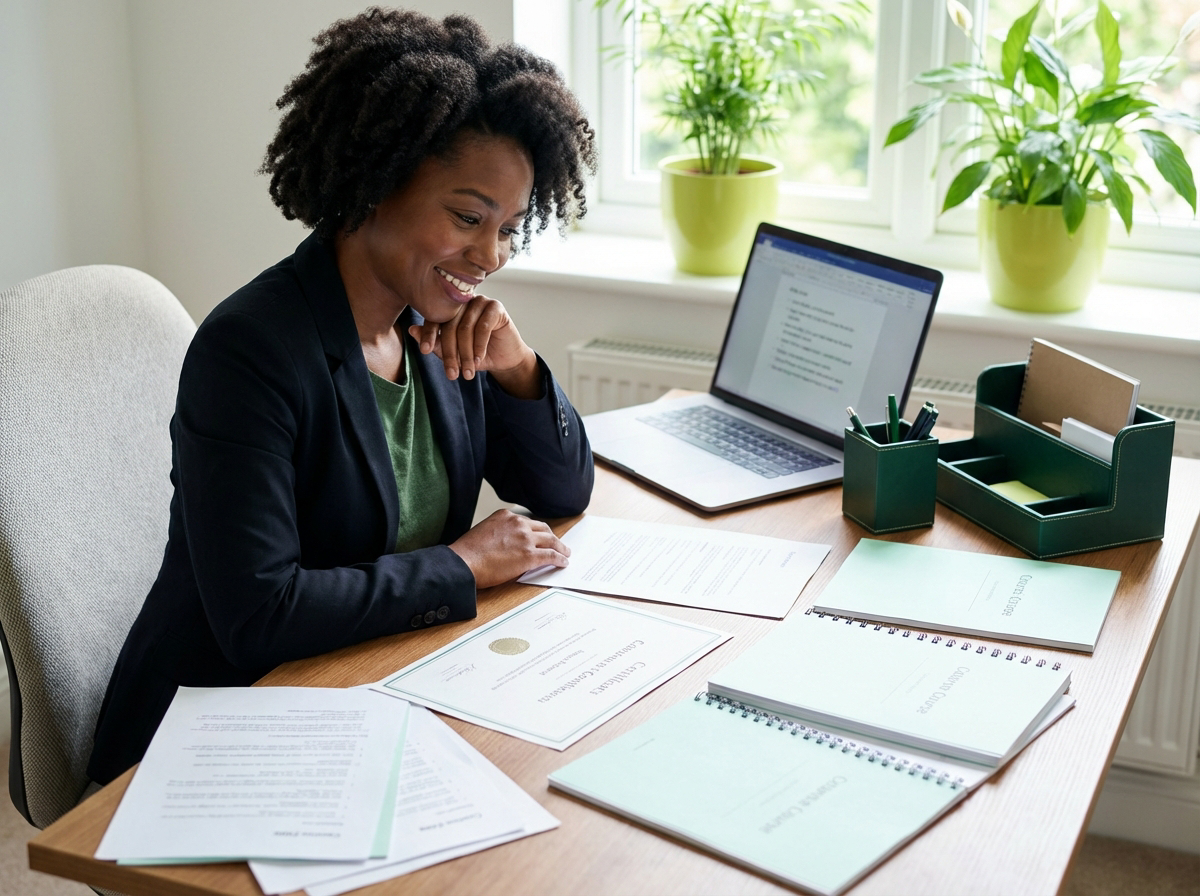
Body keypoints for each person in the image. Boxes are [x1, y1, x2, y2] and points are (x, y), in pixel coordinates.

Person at [87, 8, 597, 784]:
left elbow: (562, 488)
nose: (491, 255)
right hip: (221, 724)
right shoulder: (252, 350)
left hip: (368, 685)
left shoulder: (436, 331)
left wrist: (518, 365)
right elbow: (260, 617)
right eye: (468, 218)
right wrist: (460, 566)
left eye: (509, 228)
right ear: (375, 184)